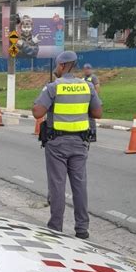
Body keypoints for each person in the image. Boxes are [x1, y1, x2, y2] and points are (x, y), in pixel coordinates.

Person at [33, 51, 102, 239]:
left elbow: (38, 112)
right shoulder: (87, 87)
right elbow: (97, 113)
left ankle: (55, 228)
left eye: (57, 66)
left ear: (62, 66)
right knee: (79, 186)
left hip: (57, 144)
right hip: (80, 143)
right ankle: (82, 229)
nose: (56, 69)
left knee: (57, 186)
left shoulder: (53, 87)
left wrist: (42, 98)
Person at [83, 63, 100, 142]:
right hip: (85, 100)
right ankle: (87, 133)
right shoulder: (84, 79)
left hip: (91, 100)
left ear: (90, 69)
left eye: (87, 69)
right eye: (85, 69)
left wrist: (94, 98)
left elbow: (97, 87)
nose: (86, 71)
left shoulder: (93, 77)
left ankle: (93, 134)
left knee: (91, 118)